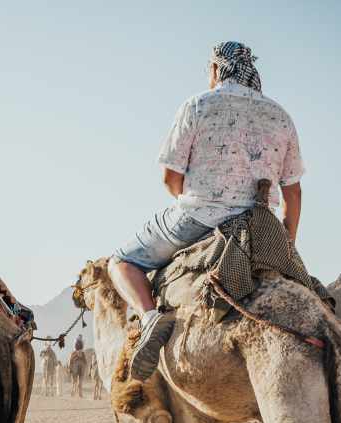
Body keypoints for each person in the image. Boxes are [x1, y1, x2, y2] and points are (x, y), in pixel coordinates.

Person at [108, 41, 305, 380]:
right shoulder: (281, 116)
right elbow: (293, 191)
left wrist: (199, 197)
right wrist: (285, 242)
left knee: (122, 261)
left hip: (198, 217)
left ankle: (150, 318)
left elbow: (170, 178)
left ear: (216, 69)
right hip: (261, 225)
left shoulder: (198, 105)